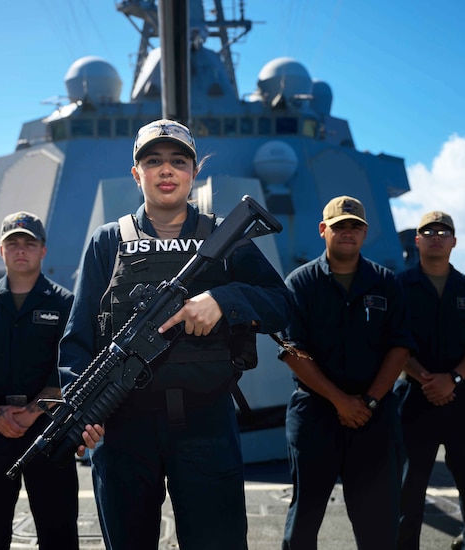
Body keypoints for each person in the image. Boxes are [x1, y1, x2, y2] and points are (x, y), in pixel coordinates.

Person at [59, 118, 292, 550]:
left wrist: (224, 300)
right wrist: (81, 409)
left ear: (193, 172)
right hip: (124, 428)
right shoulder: (108, 241)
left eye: (178, 161)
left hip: (206, 423)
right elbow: (78, 337)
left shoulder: (226, 236)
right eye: (153, 161)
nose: (166, 170)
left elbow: (282, 305)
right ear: (137, 173)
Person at [0, 211, 103, 550]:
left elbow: (71, 367)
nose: (21, 250)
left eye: (29, 243)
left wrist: (34, 411)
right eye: (13, 243)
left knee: (58, 525)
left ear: (42, 251)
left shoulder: (67, 305)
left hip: (49, 429)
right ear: (2, 251)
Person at [278, 196, 415, 549]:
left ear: (365, 233)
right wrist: (342, 402)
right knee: (304, 519)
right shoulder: (300, 283)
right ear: (324, 230)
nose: (348, 233)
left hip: (373, 415)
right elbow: (293, 352)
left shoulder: (386, 283)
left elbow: (399, 347)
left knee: (378, 523)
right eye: (340, 227)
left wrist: (367, 401)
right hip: (316, 415)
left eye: (355, 226)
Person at [394, 211, 465, 550]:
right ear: (417, 240)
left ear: (454, 241)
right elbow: (390, 340)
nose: (436, 236)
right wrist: (426, 378)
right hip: (413, 398)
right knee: (408, 490)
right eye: (428, 231)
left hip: (463, 400)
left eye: (444, 231)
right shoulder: (398, 287)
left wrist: (452, 378)